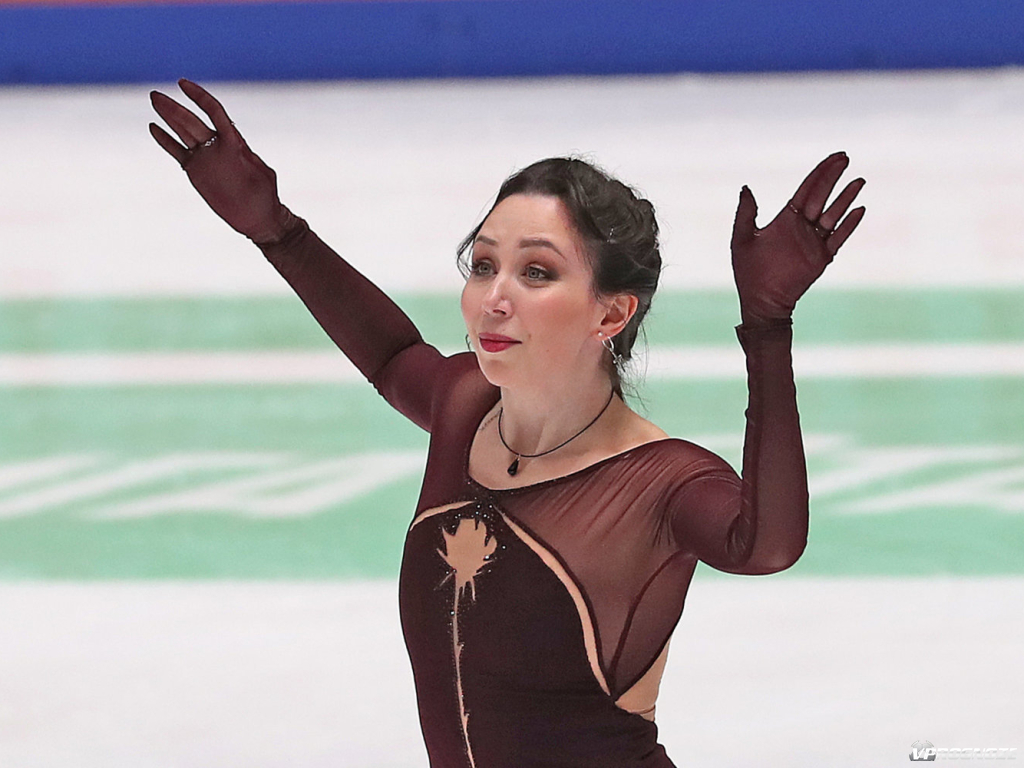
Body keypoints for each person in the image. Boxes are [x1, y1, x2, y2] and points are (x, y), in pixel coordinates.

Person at [149, 79, 865, 768]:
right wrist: (275, 230)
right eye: (483, 264)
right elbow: (392, 356)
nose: (494, 297)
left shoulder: (660, 483)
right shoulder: (465, 405)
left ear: (612, 313)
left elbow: (765, 546)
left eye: (537, 273)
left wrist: (767, 326)